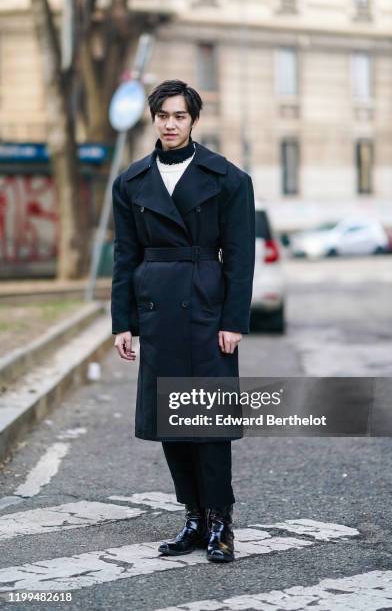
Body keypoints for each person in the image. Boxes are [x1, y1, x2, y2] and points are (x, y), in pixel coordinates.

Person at [111, 79, 255, 563]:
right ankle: (192, 518)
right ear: (152, 119)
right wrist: (123, 322)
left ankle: (221, 523)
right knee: (172, 422)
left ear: (194, 121)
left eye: (180, 116)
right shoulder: (131, 181)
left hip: (207, 309)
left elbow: (239, 257)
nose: (170, 124)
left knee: (208, 422)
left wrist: (233, 320)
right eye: (163, 116)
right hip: (156, 312)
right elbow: (124, 255)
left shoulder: (227, 179)